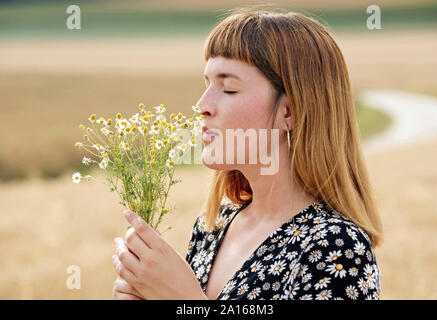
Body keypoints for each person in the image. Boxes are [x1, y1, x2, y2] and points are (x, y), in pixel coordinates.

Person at [112, 8, 383, 300]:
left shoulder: (336, 247)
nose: (202, 105)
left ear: (288, 112)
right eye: (207, 84)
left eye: (228, 88)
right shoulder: (213, 226)